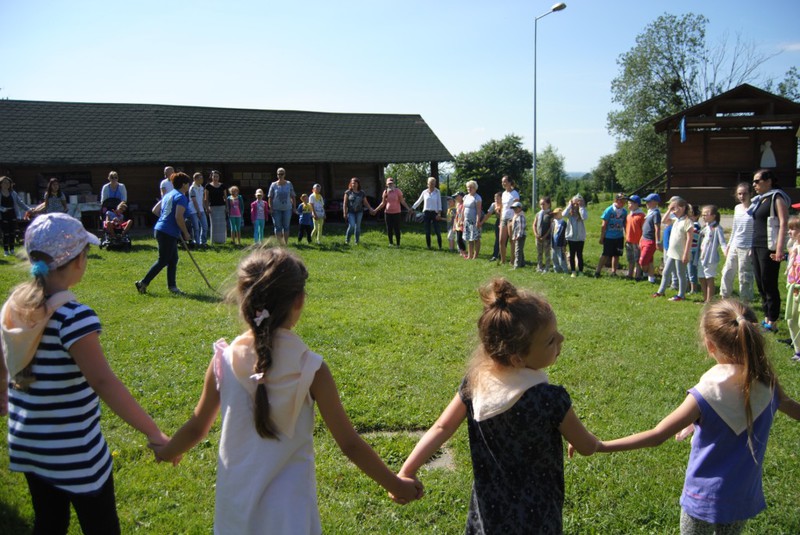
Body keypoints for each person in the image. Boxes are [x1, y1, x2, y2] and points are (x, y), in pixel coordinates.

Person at [152, 248, 422, 533]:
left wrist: (167, 452)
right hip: (290, 517)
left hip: (235, 513)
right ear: (299, 300)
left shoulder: (224, 359)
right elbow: (350, 444)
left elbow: (197, 427)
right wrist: (395, 484)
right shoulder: (312, 369)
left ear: (244, 298)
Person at [1, 213, 169, 534]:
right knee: (101, 526)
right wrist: (153, 432)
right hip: (75, 453)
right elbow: (103, 382)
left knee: (49, 523)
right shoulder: (74, 318)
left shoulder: (16, 306)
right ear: (78, 261)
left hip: (30, 445)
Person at [397, 278, 600, 533]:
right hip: (537, 517)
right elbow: (586, 446)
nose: (561, 338)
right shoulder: (550, 399)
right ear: (517, 358)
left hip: (489, 512)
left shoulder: (476, 382)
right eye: (550, 340)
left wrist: (407, 469)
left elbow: (441, 428)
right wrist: (589, 441)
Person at [582, 300, 800, 534]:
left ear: (710, 345)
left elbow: (657, 435)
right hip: (741, 497)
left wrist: (599, 445)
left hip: (702, 499)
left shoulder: (703, 396)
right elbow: (788, 407)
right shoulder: (769, 386)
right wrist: (696, 424)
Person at [135, 172, 192, 295]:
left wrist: (166, 220)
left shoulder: (169, 195)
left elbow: (155, 210)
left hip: (161, 229)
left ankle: (172, 287)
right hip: (167, 232)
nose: (189, 185)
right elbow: (178, 217)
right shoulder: (181, 197)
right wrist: (185, 233)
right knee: (163, 260)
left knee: (173, 259)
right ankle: (142, 283)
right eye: (188, 183)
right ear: (183, 185)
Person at [748, 169, 790, 333]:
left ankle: (773, 322)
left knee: (769, 283)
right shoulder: (760, 200)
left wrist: (779, 249)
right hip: (757, 245)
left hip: (769, 247)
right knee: (760, 283)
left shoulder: (776, 197)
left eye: (757, 181)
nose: (754, 185)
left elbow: (784, 223)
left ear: (769, 181)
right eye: (753, 181)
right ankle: (766, 319)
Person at [653, 197, 693, 301]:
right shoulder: (676, 219)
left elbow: (689, 239)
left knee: (680, 274)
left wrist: (685, 254)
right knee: (666, 272)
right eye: (672, 209)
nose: (673, 211)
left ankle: (681, 295)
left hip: (681, 253)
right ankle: (660, 291)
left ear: (683, 208)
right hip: (672, 252)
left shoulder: (687, 221)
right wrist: (669, 210)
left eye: (675, 208)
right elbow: (663, 220)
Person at [720, 183, 754, 302]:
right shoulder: (737, 208)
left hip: (747, 247)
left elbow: (758, 229)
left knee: (744, 276)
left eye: (744, 193)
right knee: (727, 271)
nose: (742, 196)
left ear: (750, 194)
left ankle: (745, 302)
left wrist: (753, 248)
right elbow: (735, 228)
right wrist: (729, 245)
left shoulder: (755, 208)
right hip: (735, 244)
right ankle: (724, 298)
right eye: (739, 193)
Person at [698, 205, 727, 304]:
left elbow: (723, 242)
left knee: (709, 277)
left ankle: (710, 300)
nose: (704, 216)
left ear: (714, 215)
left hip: (710, 258)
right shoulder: (705, 227)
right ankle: (705, 298)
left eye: (706, 214)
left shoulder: (717, 228)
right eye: (703, 214)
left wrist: (725, 252)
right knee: (701, 277)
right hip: (702, 256)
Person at [594, 193, 627, 277]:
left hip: (619, 236)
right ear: (616, 200)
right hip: (609, 236)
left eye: (624, 201)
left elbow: (625, 224)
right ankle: (598, 271)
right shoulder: (609, 210)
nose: (622, 202)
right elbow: (604, 224)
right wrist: (602, 237)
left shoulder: (624, 211)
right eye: (621, 200)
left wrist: (626, 235)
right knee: (605, 254)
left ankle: (614, 272)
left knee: (616, 255)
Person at [373, 177, 411, 247]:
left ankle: (398, 244)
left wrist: (408, 208)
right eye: (389, 183)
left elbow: (402, 201)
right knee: (389, 228)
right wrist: (375, 210)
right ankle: (390, 243)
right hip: (387, 213)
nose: (390, 184)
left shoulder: (398, 191)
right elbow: (383, 203)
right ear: (387, 184)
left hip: (397, 213)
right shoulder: (385, 192)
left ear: (394, 184)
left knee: (397, 228)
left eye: (391, 183)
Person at [0, 176, 32, 256]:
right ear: (1, 184)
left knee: (12, 232)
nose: (6, 184)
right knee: (6, 233)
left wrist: (28, 209)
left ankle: (12, 249)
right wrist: (2, 209)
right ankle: (6, 251)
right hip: (3, 215)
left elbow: (20, 202)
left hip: (12, 214)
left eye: (8, 183)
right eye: (4, 183)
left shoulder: (13, 193)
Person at [411, 177, 443, 250]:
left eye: (433, 183)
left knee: (437, 230)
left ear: (435, 184)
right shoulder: (424, 192)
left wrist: (439, 214)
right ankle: (428, 246)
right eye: (430, 183)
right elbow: (419, 201)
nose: (432, 185)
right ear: (427, 184)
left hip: (435, 213)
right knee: (427, 231)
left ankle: (440, 247)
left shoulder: (437, 192)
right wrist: (412, 208)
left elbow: (439, 203)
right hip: (426, 213)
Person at [785, 216, 800, 361]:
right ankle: (798, 351)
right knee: (791, 320)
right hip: (793, 287)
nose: (789, 232)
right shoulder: (794, 246)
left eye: (793, 229)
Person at [268, 168, 296, 246]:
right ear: (277, 175)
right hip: (276, 209)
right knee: (278, 227)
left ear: (284, 174)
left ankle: (285, 244)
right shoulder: (273, 185)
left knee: (286, 226)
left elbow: (293, 196)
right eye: (279, 174)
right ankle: (280, 244)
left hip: (287, 209)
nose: (280, 175)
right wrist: (271, 208)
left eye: (282, 174)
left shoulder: (289, 184)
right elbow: (270, 197)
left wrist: (294, 207)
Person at [342, 177, 374, 245]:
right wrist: (344, 213)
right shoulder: (347, 192)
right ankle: (347, 240)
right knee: (352, 226)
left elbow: (365, 202)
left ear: (358, 184)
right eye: (353, 183)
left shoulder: (362, 193)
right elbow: (344, 203)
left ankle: (357, 241)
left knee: (358, 227)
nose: (354, 184)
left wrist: (370, 208)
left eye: (355, 183)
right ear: (350, 184)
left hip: (359, 212)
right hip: (351, 212)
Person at [639, 193, 662, 284]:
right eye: (646, 201)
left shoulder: (656, 213)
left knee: (643, 261)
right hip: (644, 239)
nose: (646, 203)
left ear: (655, 202)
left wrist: (658, 241)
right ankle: (651, 278)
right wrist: (641, 238)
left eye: (649, 201)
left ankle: (645, 273)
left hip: (650, 240)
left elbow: (657, 228)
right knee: (649, 261)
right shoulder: (649, 213)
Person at [565, 194, 588, 277]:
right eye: (574, 204)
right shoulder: (569, 214)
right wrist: (569, 205)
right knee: (571, 255)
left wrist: (581, 207)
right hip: (571, 237)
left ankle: (581, 271)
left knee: (579, 255)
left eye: (577, 204)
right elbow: (563, 214)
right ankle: (573, 271)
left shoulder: (582, 211)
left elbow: (585, 217)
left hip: (580, 238)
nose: (576, 206)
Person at [499, 176, 520, 265]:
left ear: (510, 182)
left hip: (512, 218)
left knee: (512, 240)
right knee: (501, 240)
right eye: (502, 182)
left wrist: (514, 219)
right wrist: (500, 219)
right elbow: (503, 207)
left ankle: (512, 260)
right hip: (504, 218)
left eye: (505, 181)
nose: (503, 183)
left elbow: (517, 208)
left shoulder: (515, 194)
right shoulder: (503, 194)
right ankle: (503, 260)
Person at [625, 195, 645, 280]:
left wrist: (641, 240)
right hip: (628, 240)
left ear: (637, 204)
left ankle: (638, 275)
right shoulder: (629, 215)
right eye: (628, 203)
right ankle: (630, 274)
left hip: (637, 241)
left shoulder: (641, 216)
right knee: (630, 258)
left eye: (631, 203)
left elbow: (644, 230)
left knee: (637, 259)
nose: (629, 205)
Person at [205, 170, 227, 245]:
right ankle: (213, 241)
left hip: (221, 206)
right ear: (211, 177)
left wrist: (227, 207)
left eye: (217, 176)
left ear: (219, 177)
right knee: (214, 224)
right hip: (212, 207)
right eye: (214, 176)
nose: (215, 178)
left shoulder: (222, 186)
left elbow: (225, 197)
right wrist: (207, 208)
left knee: (221, 224)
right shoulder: (208, 186)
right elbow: (206, 198)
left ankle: (222, 240)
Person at [462, 181, 483, 259]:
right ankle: (470, 255)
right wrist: (462, 219)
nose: (469, 189)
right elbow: (463, 209)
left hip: (474, 221)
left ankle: (475, 255)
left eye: (471, 187)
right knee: (469, 238)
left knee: (476, 238)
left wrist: (478, 221)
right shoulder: (466, 197)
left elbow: (478, 210)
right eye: (468, 187)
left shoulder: (477, 198)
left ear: (475, 188)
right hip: (466, 221)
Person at [533, 196, 553, 272]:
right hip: (538, 237)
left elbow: (551, 226)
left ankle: (547, 267)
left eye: (543, 204)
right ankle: (539, 266)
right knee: (539, 253)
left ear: (548, 204)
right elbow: (534, 224)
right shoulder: (538, 214)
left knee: (547, 253)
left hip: (546, 238)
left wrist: (545, 236)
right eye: (540, 204)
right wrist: (535, 234)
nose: (542, 206)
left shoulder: (550, 214)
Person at [189, 172, 208, 247]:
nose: (202, 179)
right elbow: (194, 201)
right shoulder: (192, 188)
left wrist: (204, 208)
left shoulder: (202, 187)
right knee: (196, 227)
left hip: (201, 209)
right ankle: (197, 243)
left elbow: (202, 199)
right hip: (194, 210)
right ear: (195, 179)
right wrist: (198, 211)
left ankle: (203, 242)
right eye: (200, 178)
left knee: (205, 226)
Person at [484, 192, 503, 261]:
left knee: (504, 239)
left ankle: (502, 255)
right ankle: (495, 255)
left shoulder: (505, 204)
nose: (496, 199)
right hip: (498, 221)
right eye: (495, 198)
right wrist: (482, 222)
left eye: (497, 198)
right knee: (497, 239)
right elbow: (488, 214)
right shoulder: (494, 204)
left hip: (505, 221)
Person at [551, 208, 568, 274]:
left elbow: (565, 235)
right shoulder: (553, 223)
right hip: (553, 244)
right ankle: (556, 271)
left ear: (560, 214)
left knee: (562, 260)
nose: (554, 215)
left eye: (556, 214)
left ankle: (565, 271)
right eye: (554, 214)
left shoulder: (564, 224)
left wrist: (564, 244)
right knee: (554, 259)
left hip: (560, 245)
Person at [510, 201, 527, 269]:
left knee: (517, 251)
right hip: (517, 235)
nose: (514, 210)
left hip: (520, 236)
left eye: (516, 208)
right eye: (513, 208)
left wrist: (518, 236)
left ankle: (516, 265)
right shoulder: (516, 216)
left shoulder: (520, 216)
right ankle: (522, 263)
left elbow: (521, 227)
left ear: (520, 208)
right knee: (520, 250)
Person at [453, 192, 467, 258]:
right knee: (458, 239)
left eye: (457, 196)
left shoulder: (464, 204)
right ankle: (461, 252)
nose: (456, 198)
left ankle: (464, 252)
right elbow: (457, 214)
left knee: (460, 239)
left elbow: (463, 214)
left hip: (461, 223)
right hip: (457, 223)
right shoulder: (458, 204)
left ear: (461, 197)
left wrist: (461, 221)